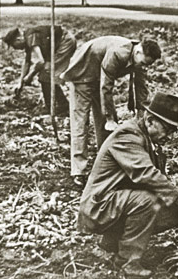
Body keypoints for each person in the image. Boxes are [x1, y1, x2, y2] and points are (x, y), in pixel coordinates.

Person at [77, 92, 178, 277]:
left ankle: (111, 242)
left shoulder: (145, 138)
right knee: (148, 201)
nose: (169, 136)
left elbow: (157, 181)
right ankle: (128, 261)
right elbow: (147, 175)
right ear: (150, 121)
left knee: (172, 209)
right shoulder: (128, 136)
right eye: (167, 129)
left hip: (114, 202)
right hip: (99, 206)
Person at [59, 36, 162, 187]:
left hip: (99, 77)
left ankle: (105, 160)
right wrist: (110, 117)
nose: (143, 66)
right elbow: (106, 86)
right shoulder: (118, 53)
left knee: (103, 122)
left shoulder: (138, 58)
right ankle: (78, 170)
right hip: (83, 74)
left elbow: (141, 86)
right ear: (138, 51)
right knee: (81, 122)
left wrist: (142, 113)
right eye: (143, 63)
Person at [3, 25, 77, 115]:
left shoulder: (30, 37)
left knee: (45, 74)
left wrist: (30, 76)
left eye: (14, 46)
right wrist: (20, 82)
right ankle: (61, 104)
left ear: (18, 39)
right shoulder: (27, 37)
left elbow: (40, 61)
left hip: (65, 42)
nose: (16, 48)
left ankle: (55, 106)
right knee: (46, 74)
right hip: (60, 42)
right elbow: (27, 62)